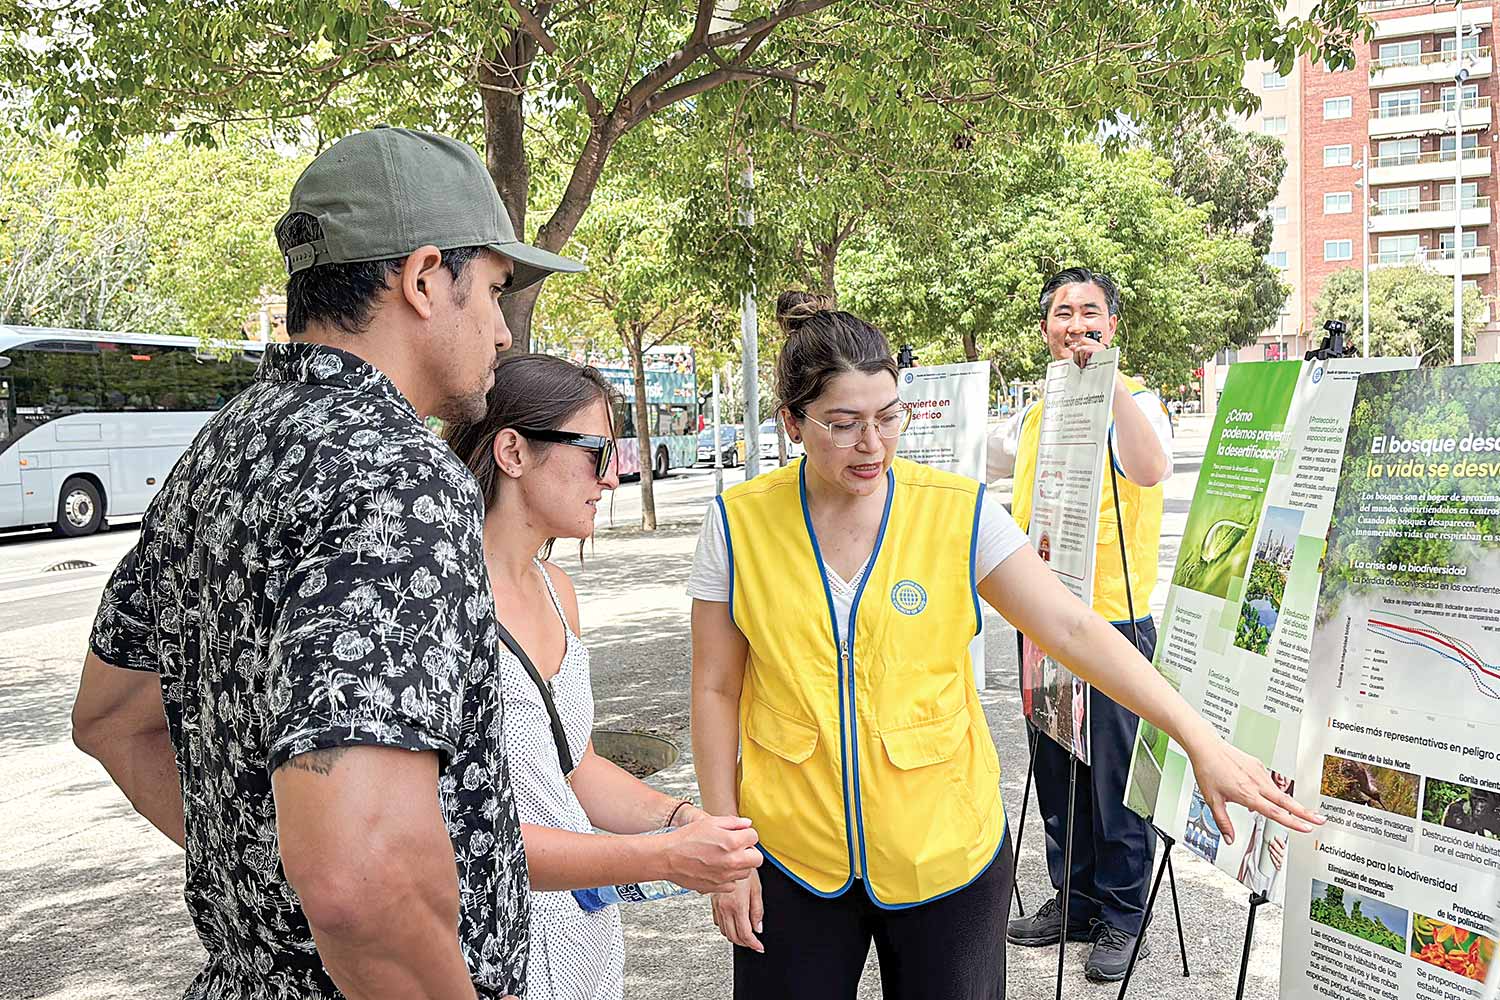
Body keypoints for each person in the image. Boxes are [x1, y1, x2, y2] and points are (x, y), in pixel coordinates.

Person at [72, 126, 582, 1000]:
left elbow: (111, 717)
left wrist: (270, 899)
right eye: (495, 290)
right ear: (425, 280)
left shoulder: (222, 450)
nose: (503, 330)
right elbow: (360, 876)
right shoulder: (396, 477)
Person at [689, 296, 1319, 1000]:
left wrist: (1197, 737)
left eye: (888, 416)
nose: (873, 445)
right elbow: (716, 688)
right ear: (792, 423)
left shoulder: (957, 511)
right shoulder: (737, 525)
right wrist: (729, 853)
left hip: (945, 853)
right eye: (843, 424)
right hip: (790, 853)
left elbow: (1073, 628)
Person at [443, 354, 762, 1000]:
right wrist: (662, 857)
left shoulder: (559, 591)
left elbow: (575, 768)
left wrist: (680, 818)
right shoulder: (444, 606)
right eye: (595, 453)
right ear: (513, 451)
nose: (611, 478)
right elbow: (463, 835)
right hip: (491, 957)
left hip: (580, 932)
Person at [991, 266, 1175, 979]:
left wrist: (1111, 384)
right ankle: (1073, 896)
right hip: (1045, 620)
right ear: (1045, 328)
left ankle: (1125, 917)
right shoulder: (1036, 410)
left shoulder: (1141, 402)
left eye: (1090, 311)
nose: (1076, 323)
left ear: (1112, 324)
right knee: (1057, 766)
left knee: (1118, 783)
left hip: (1113, 625)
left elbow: (1151, 467)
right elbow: (988, 456)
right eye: (1062, 312)